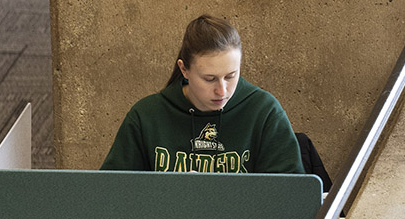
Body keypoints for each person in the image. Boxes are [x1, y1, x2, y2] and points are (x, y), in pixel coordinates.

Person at [101, 15, 305, 174]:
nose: (222, 90)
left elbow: (288, 197)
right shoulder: (145, 116)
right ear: (184, 70)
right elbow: (113, 194)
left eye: (231, 76)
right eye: (209, 79)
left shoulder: (265, 111)